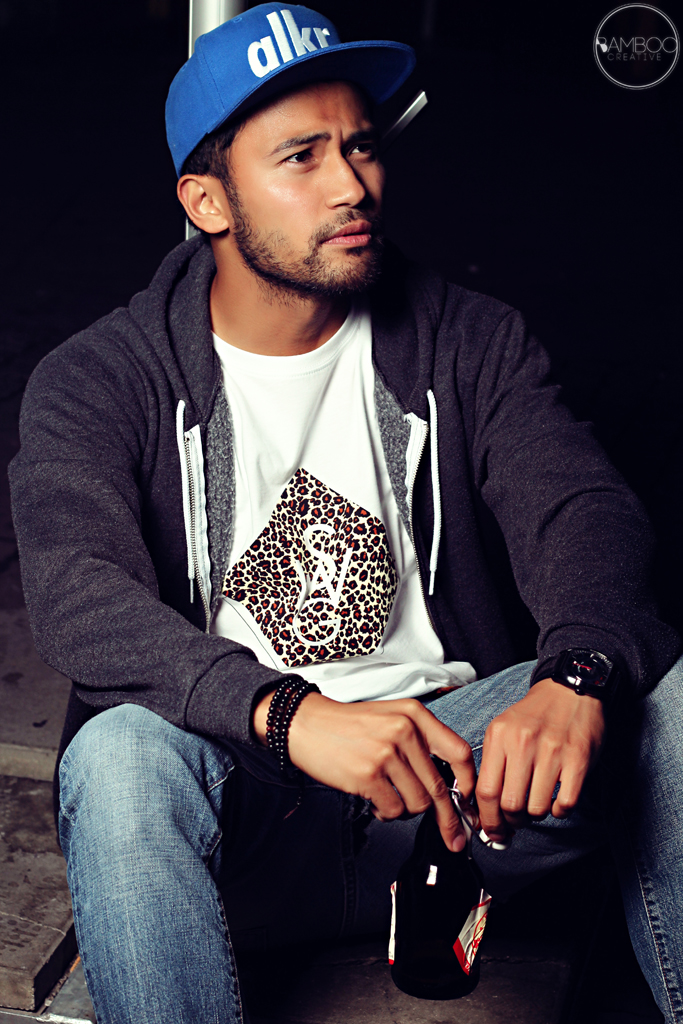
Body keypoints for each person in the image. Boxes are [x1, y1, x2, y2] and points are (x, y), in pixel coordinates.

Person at [8, 4, 683, 1022]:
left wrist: (577, 671)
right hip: (243, 817)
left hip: (457, 800)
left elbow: (580, 507)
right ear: (207, 201)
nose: (351, 184)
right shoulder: (101, 379)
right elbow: (76, 594)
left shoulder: (467, 340)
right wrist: (289, 716)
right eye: (301, 157)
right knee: (118, 756)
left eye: (359, 146)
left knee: (657, 690)